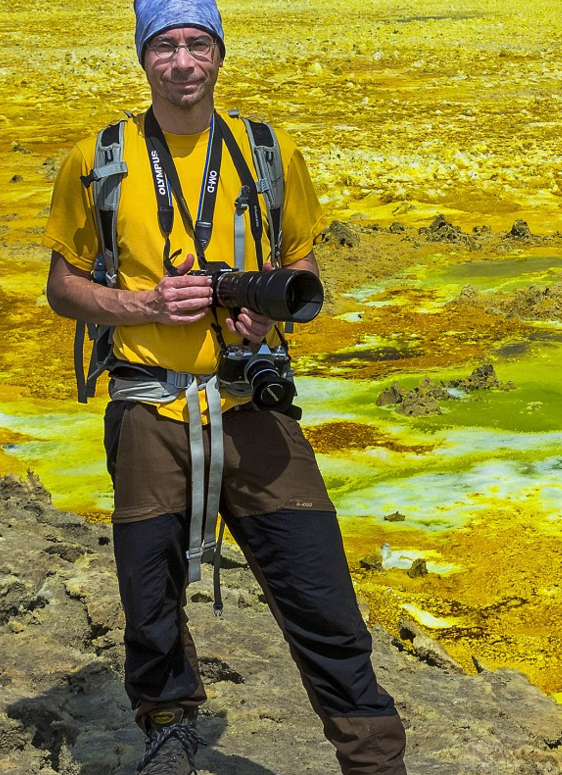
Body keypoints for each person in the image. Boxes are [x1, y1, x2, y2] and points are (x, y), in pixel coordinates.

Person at [44, 1, 408, 773]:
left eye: (197, 44)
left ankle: (374, 758)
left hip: (253, 398)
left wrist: (267, 311)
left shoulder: (266, 151)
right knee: (150, 595)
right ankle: (169, 727)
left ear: (218, 54)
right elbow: (63, 286)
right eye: (166, 45)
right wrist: (142, 304)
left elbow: (303, 267)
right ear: (144, 57)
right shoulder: (96, 158)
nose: (182, 61)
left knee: (322, 595)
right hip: (148, 403)